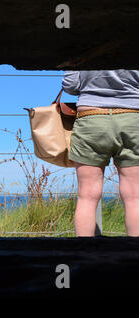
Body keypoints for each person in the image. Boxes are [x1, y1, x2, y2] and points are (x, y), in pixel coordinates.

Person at [62, 70, 139, 237]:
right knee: (135, 196)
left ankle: (84, 255)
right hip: (133, 118)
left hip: (91, 118)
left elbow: (70, 86)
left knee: (87, 196)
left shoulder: (83, 45)